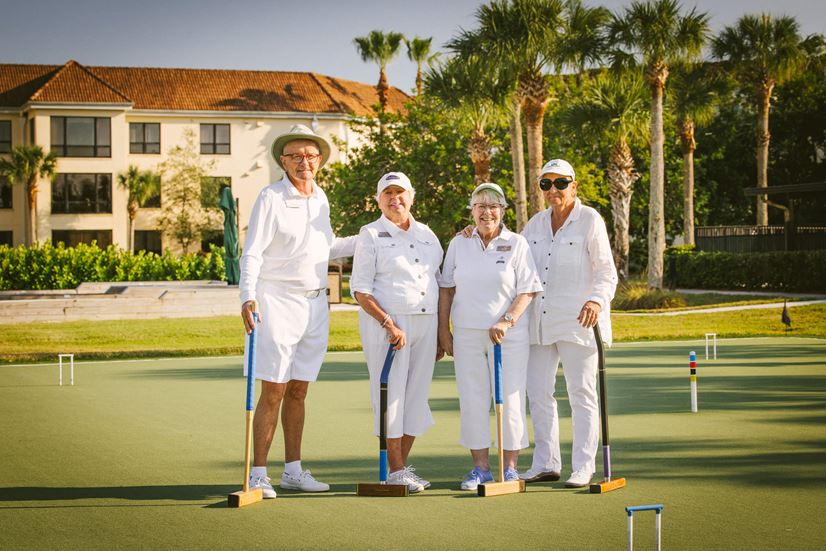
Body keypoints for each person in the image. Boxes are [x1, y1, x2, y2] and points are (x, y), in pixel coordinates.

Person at [239, 124, 356, 498]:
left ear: (319, 160)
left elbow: (327, 246)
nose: (304, 162)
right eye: (295, 156)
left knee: (299, 391)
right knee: (273, 389)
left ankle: (293, 471)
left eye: (310, 155)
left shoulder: (321, 198)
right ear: (283, 162)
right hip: (276, 301)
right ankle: (259, 473)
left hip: (316, 305)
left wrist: (373, 234)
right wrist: (247, 296)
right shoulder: (271, 197)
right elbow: (253, 251)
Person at [519, 159, 618, 488]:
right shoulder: (533, 225)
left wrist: (596, 300)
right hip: (540, 322)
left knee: (581, 393)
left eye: (560, 183)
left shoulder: (590, 219)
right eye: (546, 184)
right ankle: (545, 462)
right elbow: (511, 261)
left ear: (574, 186)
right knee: (538, 392)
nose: (553, 190)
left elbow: (606, 271)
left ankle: (583, 465)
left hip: (580, 320)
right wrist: (478, 233)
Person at [438, 183, 543, 491]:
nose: (487, 212)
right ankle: (480, 469)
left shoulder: (517, 243)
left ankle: (509, 468)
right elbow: (447, 288)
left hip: (507, 336)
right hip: (468, 334)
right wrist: (444, 331)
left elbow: (528, 289)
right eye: (480, 206)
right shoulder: (459, 243)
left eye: (493, 206)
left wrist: (507, 320)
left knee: (509, 399)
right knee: (472, 399)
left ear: (503, 211)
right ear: (472, 211)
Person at [350, 172, 443, 493]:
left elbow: (440, 282)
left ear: (412, 197)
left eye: (400, 193)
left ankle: (399, 469)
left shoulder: (428, 234)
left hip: (426, 324)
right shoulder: (370, 234)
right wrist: (388, 324)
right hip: (388, 327)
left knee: (416, 397)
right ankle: (396, 468)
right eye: (388, 193)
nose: (395, 199)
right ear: (378, 200)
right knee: (391, 397)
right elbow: (360, 290)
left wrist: (442, 334)